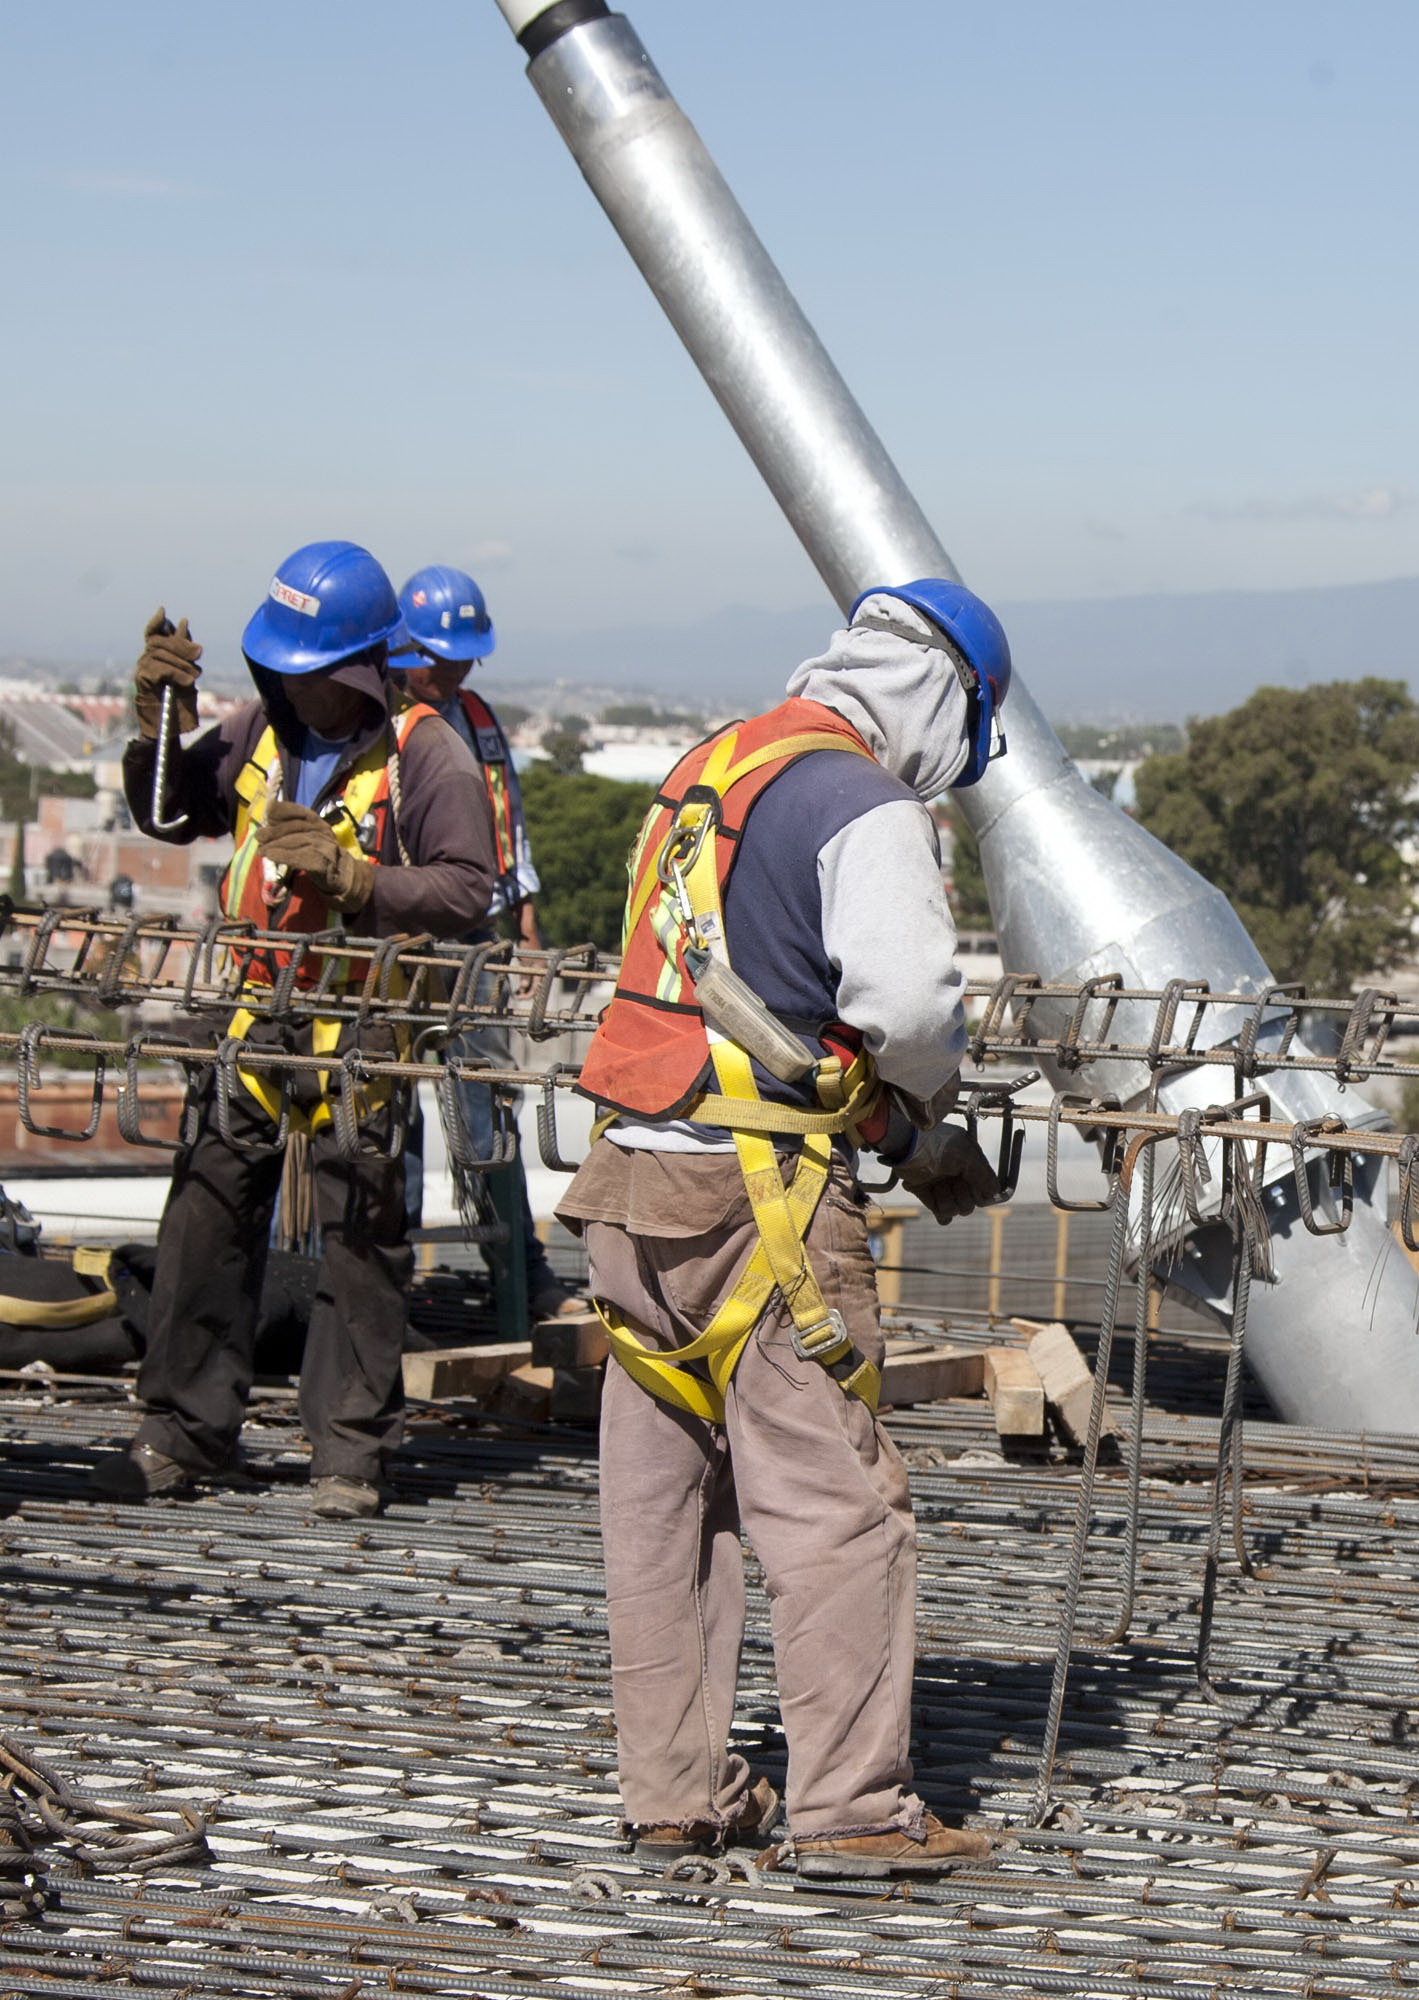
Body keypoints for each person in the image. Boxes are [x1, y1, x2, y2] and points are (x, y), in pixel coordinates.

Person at [557, 583, 1009, 1880]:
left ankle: (675, 1796)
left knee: (660, 1510)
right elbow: (910, 1006)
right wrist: (915, 1110)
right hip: (759, 1207)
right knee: (839, 1508)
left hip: (628, 1190)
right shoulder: (865, 802)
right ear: (940, 701)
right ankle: (856, 1810)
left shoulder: (713, 765)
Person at [91, 542, 499, 1520]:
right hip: (255, 1012)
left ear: (358, 668)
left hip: (362, 1030)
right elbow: (170, 814)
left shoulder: (423, 750)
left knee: (363, 1239)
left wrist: (361, 881)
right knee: (204, 1218)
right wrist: (158, 724)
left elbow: (469, 887)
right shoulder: (259, 731)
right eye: (284, 668)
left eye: (310, 671)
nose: (293, 685)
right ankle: (183, 1426)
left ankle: (348, 1450)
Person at [388, 564, 570, 1320]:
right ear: (406, 649)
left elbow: (508, 822)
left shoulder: (476, 720)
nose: (456, 669)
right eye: (443, 655)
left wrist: (523, 922)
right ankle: (380, 1269)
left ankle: (518, 1273)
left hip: (473, 943)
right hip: (390, 945)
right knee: (382, 1109)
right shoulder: (380, 725)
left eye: (464, 657)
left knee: (484, 1111)